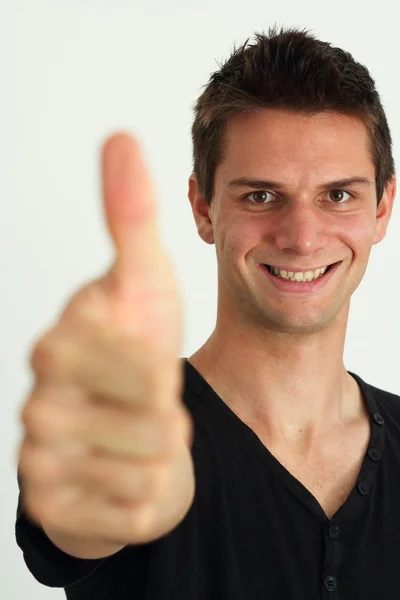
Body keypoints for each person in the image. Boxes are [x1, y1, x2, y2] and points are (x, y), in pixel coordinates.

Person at [15, 25, 399, 599]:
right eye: (261, 195)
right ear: (202, 207)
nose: (301, 237)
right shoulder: (126, 425)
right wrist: (102, 501)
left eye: (338, 195)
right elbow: (79, 522)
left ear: (382, 208)